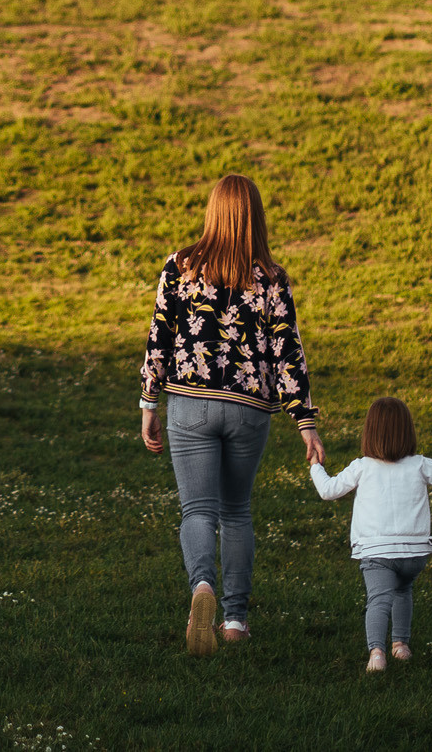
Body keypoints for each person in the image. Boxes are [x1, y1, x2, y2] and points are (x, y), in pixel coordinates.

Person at [140, 173, 325, 655]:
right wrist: (304, 421)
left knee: (198, 509)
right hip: (248, 410)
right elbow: (288, 351)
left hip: (190, 403)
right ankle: (236, 620)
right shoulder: (272, 278)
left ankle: (202, 588)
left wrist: (148, 402)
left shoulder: (180, 266)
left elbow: (159, 335)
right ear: (256, 216)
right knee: (237, 511)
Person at [308, 395, 432, 673]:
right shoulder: (420, 464)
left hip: (377, 552)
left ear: (369, 432)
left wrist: (316, 466)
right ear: (408, 431)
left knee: (379, 599)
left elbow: (328, 490)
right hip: (414, 553)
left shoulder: (362, 466)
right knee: (403, 590)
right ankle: (400, 645)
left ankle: (377, 653)